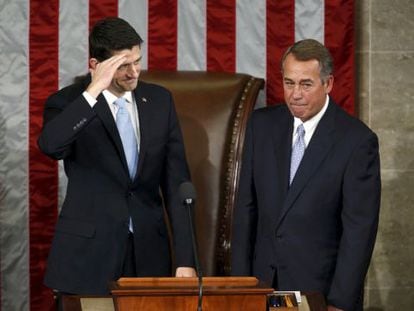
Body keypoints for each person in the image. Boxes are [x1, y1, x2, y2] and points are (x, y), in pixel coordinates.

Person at [38, 17, 196, 295]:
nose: (134, 72)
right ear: (95, 65)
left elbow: (176, 183)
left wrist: (185, 259)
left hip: (148, 254)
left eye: (137, 61)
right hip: (88, 255)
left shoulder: (160, 101)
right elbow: (51, 146)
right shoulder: (67, 102)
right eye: (123, 65)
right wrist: (92, 92)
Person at [231, 39, 381, 311]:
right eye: (289, 83)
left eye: (306, 84)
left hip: (318, 294)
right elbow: (245, 210)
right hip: (261, 287)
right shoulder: (261, 126)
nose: (295, 94)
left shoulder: (357, 142)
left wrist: (339, 302)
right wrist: (241, 286)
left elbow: (358, 232)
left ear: (329, 84)